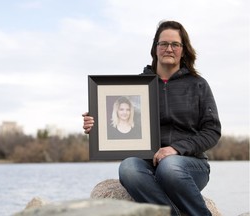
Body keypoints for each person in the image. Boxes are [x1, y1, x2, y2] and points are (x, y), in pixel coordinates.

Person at [82, 20, 221, 216]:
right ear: (155, 48)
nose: (169, 49)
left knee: (169, 166)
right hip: (147, 165)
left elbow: (212, 131)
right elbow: (121, 122)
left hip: (188, 165)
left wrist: (176, 149)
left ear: (183, 50)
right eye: (163, 44)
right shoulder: (137, 87)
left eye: (175, 44)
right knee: (128, 167)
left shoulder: (198, 84)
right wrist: (96, 124)